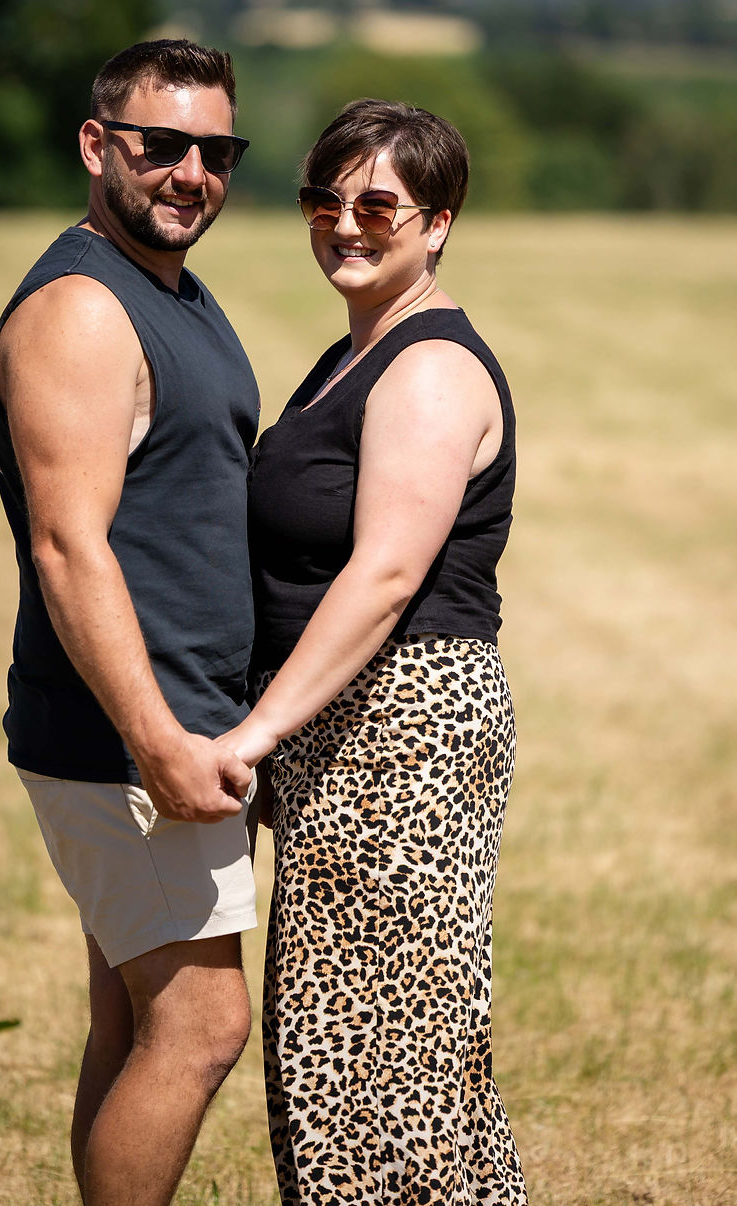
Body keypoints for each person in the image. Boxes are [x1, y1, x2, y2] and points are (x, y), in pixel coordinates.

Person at [217, 99, 528, 1204]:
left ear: (435, 222)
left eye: (376, 204)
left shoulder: (428, 369)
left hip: (399, 731)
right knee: (355, 1055)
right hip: (346, 732)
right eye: (323, 199)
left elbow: (386, 573)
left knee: (380, 1067)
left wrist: (254, 731)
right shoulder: (357, 351)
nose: (344, 224)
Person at [0, 39, 258, 1206]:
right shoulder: (82, 309)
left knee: (133, 1023)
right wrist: (157, 744)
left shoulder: (168, 290)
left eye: (215, 150)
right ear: (98, 145)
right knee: (201, 1027)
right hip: (131, 742)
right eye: (160, 145)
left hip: (173, 726)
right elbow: (67, 544)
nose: (189, 172)